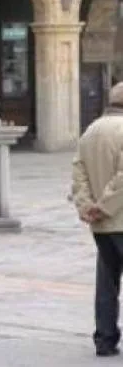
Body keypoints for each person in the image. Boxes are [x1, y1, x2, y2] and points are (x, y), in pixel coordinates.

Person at [71, 82, 123, 357]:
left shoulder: (90, 131)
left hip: (100, 226)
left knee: (107, 282)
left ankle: (105, 339)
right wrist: (105, 206)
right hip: (119, 218)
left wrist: (87, 206)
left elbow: (78, 173)